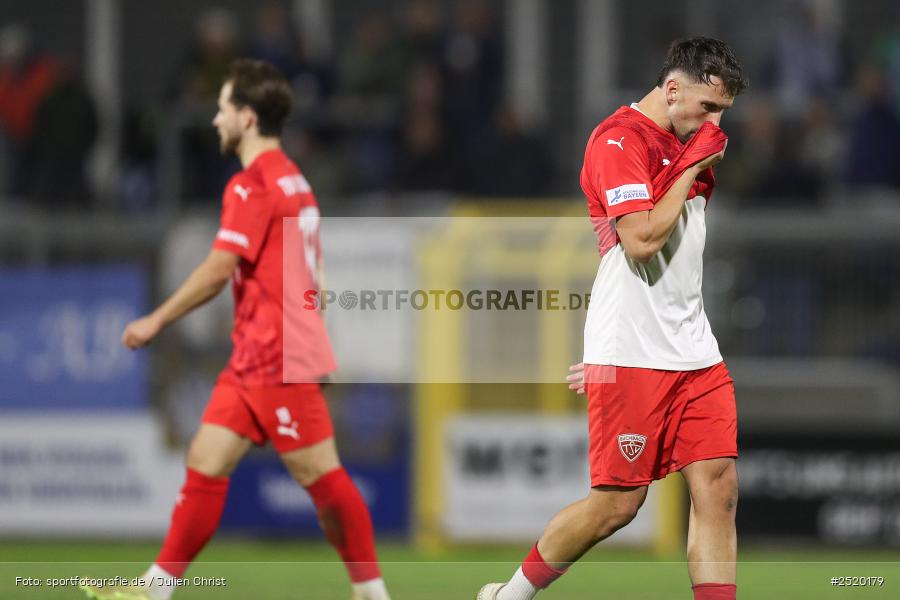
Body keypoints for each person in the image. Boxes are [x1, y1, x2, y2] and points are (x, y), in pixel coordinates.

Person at [81, 59, 391, 600]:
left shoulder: (253, 185)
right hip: (260, 352)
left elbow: (219, 269)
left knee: (322, 477)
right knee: (206, 458)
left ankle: (371, 592)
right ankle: (154, 589)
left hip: (277, 353)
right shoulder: (296, 179)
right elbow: (313, 270)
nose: (214, 121)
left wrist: (157, 318)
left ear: (247, 117)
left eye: (222, 109)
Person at [478, 37, 747, 600]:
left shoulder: (685, 138)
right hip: (631, 347)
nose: (716, 123)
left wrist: (691, 152)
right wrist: (693, 160)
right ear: (673, 89)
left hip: (694, 348)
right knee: (618, 506)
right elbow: (642, 241)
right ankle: (511, 595)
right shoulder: (617, 141)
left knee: (718, 489)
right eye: (708, 107)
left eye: (722, 111)